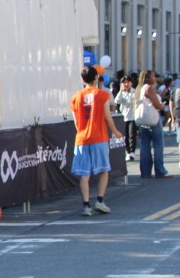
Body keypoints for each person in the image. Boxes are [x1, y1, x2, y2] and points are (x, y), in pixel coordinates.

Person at [71, 65, 124, 216]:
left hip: (82, 138)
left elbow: (76, 123)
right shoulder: (102, 95)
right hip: (99, 137)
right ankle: (100, 201)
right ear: (96, 78)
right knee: (103, 170)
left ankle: (86, 206)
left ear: (82, 79)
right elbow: (107, 117)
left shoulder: (76, 97)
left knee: (84, 174)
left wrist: (83, 131)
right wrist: (115, 131)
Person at [135, 70, 171, 179]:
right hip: (153, 119)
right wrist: (162, 105)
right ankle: (159, 170)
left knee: (145, 146)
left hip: (143, 120)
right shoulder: (149, 88)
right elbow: (157, 104)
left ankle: (145, 171)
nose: (155, 78)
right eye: (153, 76)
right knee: (158, 145)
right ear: (148, 78)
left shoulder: (139, 89)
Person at [114, 76, 137, 161]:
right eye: (124, 83)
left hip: (132, 117)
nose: (126, 84)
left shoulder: (134, 92)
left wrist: (127, 93)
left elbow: (130, 102)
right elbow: (116, 101)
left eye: (128, 82)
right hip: (124, 117)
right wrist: (121, 91)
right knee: (125, 135)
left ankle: (132, 152)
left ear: (131, 83)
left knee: (131, 135)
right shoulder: (121, 92)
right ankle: (127, 152)